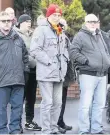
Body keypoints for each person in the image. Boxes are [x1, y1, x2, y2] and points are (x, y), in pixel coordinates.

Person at [0, 11, 29, 134]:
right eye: (3, 21)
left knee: (17, 108)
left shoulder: (18, 39)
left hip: (18, 80)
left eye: (8, 21)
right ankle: (2, 131)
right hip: (2, 80)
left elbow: (25, 56)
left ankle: (14, 130)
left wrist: (26, 70)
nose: (6, 23)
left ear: (12, 22)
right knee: (1, 109)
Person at [69, 14, 110, 134]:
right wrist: (86, 61)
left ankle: (96, 128)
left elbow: (106, 51)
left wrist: (108, 60)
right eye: (90, 22)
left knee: (99, 104)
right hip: (88, 74)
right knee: (85, 104)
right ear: (85, 23)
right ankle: (84, 130)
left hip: (102, 74)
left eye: (95, 21)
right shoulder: (80, 36)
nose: (93, 24)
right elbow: (72, 52)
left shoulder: (99, 34)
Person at [30, 4, 69, 134]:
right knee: (48, 103)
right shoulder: (41, 30)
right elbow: (35, 49)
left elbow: (64, 49)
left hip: (59, 73)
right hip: (46, 72)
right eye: (54, 15)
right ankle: (46, 130)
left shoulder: (60, 29)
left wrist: (65, 61)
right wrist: (49, 61)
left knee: (57, 103)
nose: (57, 17)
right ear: (48, 15)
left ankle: (53, 128)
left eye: (59, 15)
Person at [15, 14, 41, 131]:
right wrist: (35, 61)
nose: (29, 23)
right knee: (21, 97)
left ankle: (29, 121)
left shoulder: (33, 35)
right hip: (22, 71)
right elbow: (22, 53)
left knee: (31, 98)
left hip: (34, 71)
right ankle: (17, 123)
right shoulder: (15, 35)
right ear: (20, 23)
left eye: (30, 21)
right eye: (26, 21)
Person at [57, 18, 74, 132]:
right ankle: (56, 123)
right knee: (57, 101)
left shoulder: (65, 37)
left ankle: (60, 121)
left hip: (65, 73)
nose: (62, 27)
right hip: (57, 73)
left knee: (62, 100)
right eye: (60, 25)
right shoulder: (57, 36)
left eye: (63, 24)